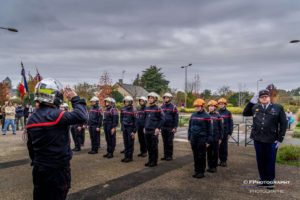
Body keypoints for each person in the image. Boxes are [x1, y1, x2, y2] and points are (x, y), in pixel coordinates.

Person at [26, 78, 87, 200]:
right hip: (57, 169)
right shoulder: (57, 115)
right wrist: (75, 98)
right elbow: (82, 116)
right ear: (53, 95)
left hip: (39, 169)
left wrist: (36, 161)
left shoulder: (31, 118)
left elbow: (30, 146)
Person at [243, 89, 287, 190]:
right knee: (260, 160)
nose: (264, 98)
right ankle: (263, 180)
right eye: (262, 97)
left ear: (269, 97)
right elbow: (245, 113)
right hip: (257, 139)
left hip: (271, 140)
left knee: (270, 160)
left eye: (266, 96)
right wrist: (252, 100)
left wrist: (280, 138)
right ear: (259, 98)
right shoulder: (255, 107)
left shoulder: (278, 108)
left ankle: (270, 181)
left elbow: (283, 124)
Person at [188, 98, 212, 179]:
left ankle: (201, 172)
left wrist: (208, 140)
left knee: (201, 155)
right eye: (196, 106)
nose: (197, 108)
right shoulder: (193, 115)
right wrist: (189, 137)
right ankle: (196, 170)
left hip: (202, 139)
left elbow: (210, 129)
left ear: (202, 106)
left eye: (198, 106)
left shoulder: (207, 116)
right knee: (195, 155)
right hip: (193, 139)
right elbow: (190, 127)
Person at [144, 92, 164, 167]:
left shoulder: (158, 109)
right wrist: (144, 127)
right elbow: (145, 119)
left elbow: (162, 119)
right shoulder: (147, 108)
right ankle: (150, 160)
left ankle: (154, 161)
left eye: (151, 98)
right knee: (148, 146)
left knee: (153, 147)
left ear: (155, 99)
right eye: (149, 98)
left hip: (153, 131)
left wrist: (158, 128)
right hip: (147, 130)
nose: (149, 99)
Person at [160, 92, 179, 161]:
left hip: (170, 128)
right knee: (165, 142)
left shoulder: (173, 107)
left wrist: (175, 127)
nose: (166, 99)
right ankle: (165, 155)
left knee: (169, 142)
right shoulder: (161, 107)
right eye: (165, 97)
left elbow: (176, 118)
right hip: (163, 127)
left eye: (167, 97)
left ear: (170, 98)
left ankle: (169, 156)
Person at [207, 100, 223, 173]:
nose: (211, 107)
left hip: (216, 137)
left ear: (215, 107)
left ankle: (214, 166)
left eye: (212, 106)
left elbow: (221, 128)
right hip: (209, 138)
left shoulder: (218, 116)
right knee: (209, 152)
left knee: (215, 152)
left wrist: (220, 138)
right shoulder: (206, 115)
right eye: (210, 106)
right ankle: (210, 166)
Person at [217, 98, 233, 167]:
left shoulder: (228, 113)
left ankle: (223, 161)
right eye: (220, 104)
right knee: (218, 147)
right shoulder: (217, 112)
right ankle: (218, 160)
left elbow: (231, 123)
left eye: (222, 104)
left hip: (225, 133)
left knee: (224, 147)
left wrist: (230, 133)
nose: (221, 105)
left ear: (225, 104)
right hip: (218, 133)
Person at [120, 96, 136, 162]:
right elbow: (121, 118)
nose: (126, 103)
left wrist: (134, 131)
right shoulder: (123, 109)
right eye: (125, 101)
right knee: (125, 143)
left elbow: (136, 121)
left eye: (127, 101)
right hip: (125, 128)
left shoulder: (133, 110)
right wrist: (122, 126)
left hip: (130, 128)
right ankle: (126, 156)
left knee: (130, 143)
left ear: (130, 102)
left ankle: (130, 157)